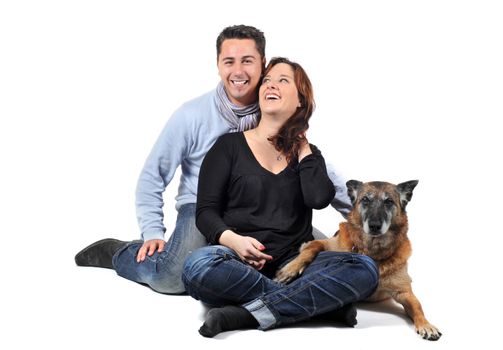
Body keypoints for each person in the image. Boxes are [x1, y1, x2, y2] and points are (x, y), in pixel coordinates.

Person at [75, 25, 351, 295]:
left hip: (266, 207)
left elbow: (319, 174)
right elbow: (153, 175)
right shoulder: (191, 116)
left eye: (248, 61)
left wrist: (360, 216)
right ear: (218, 65)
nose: (238, 71)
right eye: (228, 61)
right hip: (202, 206)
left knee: (321, 256)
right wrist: (152, 232)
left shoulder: (274, 107)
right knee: (171, 277)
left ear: (262, 64)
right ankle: (119, 253)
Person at [182, 57, 379, 337]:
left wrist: (302, 147)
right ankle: (318, 305)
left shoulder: (309, 156)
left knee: (364, 268)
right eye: (267, 80)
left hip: (295, 264)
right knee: (196, 267)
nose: (270, 85)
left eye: (282, 80)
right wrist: (234, 241)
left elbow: (318, 198)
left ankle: (246, 315)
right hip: (236, 261)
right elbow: (206, 211)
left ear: (300, 101)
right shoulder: (229, 146)